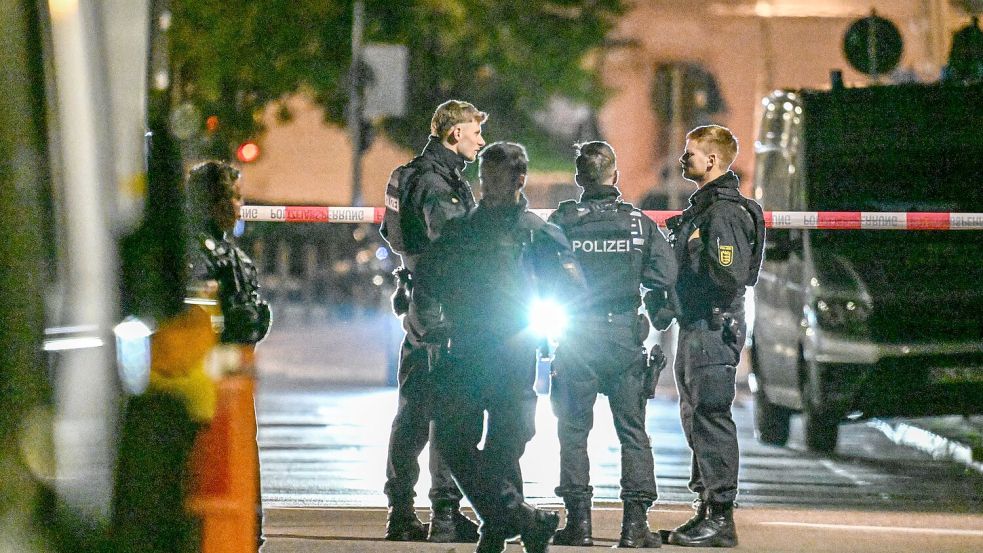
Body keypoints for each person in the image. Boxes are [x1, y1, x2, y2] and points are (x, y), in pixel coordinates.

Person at [413, 142, 584, 553]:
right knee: (453, 442)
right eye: (484, 177)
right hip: (467, 351)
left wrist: (549, 323)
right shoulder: (461, 230)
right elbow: (428, 280)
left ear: (518, 179)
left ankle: (501, 530)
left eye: (497, 177)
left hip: (513, 353)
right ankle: (524, 519)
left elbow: (574, 288)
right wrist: (431, 321)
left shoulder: (535, 232)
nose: (487, 185)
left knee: (507, 446)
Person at [547, 141, 677, 548]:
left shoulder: (562, 221)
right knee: (633, 432)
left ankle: (579, 526)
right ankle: (634, 528)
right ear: (614, 177)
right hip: (623, 336)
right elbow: (664, 276)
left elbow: (536, 271)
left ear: (579, 179)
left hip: (575, 335)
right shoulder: (638, 224)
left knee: (573, 430)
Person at [378, 100, 486, 542]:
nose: (481, 141)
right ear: (454, 134)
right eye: (475, 132)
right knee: (448, 411)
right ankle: (444, 513)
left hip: (422, 300)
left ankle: (401, 511)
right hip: (445, 306)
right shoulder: (436, 182)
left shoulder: (411, 174)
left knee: (413, 410)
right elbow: (454, 243)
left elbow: (394, 232)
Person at [657, 125, 764, 548]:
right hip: (696, 326)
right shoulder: (704, 209)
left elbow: (731, 273)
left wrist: (697, 255)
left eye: (691, 154)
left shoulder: (723, 214)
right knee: (695, 416)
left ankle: (720, 519)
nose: (684, 159)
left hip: (713, 327)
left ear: (713, 161)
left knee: (711, 418)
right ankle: (706, 509)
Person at [186, 160, 272, 549]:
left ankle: (248, 534)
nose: (238, 206)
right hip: (209, 387)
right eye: (230, 197)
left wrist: (255, 319)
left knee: (239, 462)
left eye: (238, 197)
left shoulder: (230, 253)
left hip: (234, 386)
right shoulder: (195, 254)